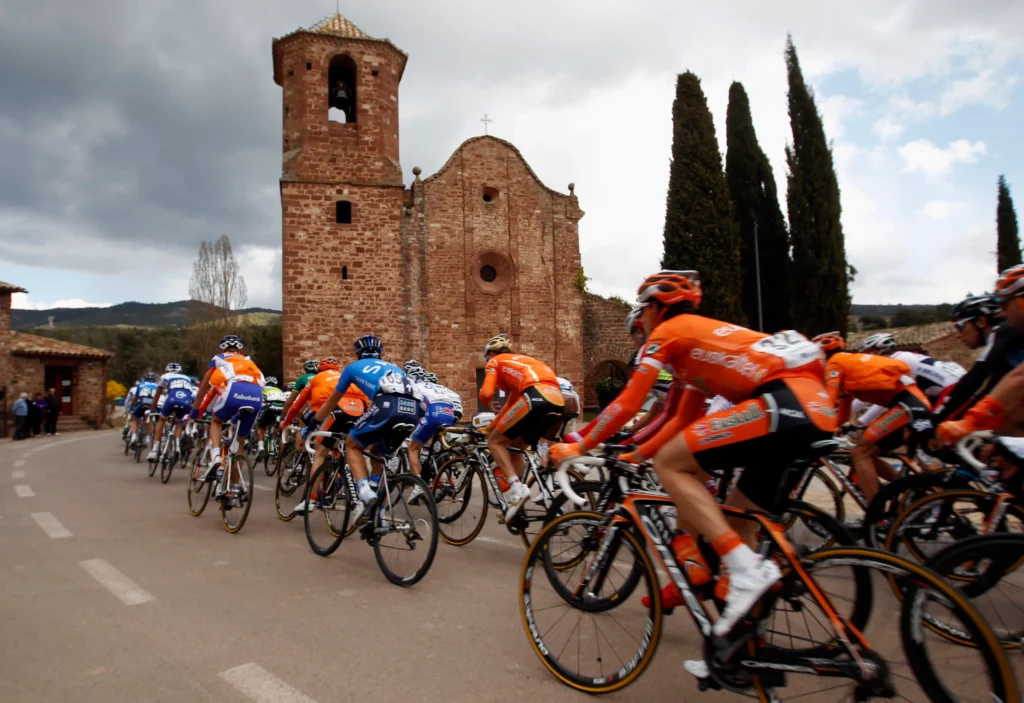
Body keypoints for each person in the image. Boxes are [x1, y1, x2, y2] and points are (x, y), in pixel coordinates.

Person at [549, 270, 837, 638]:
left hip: (781, 403)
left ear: (656, 308)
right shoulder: (694, 348)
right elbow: (681, 418)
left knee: (672, 464)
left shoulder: (671, 331)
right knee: (740, 525)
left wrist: (579, 445)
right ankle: (743, 644)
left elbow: (628, 403)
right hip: (813, 409)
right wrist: (636, 456)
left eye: (643, 312)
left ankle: (746, 569)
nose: (643, 324)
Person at [313, 335, 423, 520]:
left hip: (387, 406)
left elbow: (331, 402)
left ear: (358, 353)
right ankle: (377, 508)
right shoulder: (395, 368)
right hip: (413, 411)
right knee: (377, 451)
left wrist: (315, 421)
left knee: (352, 445)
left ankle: (364, 492)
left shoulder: (352, 368)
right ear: (380, 353)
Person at [814, 332, 933, 503]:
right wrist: (835, 428)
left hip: (907, 405)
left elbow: (828, 402)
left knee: (860, 453)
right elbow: (843, 415)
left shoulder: (835, 363)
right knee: (868, 454)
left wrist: (814, 427)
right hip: (911, 403)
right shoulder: (848, 366)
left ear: (822, 355)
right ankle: (909, 493)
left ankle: (875, 517)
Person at [480, 334, 566, 521]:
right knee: (515, 448)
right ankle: (517, 498)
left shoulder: (495, 362)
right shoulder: (521, 366)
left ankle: (518, 489)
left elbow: (486, 393)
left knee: (494, 442)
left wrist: (487, 405)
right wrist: (489, 428)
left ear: (492, 353)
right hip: (557, 400)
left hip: (536, 396)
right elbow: (509, 408)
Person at [936, 265, 1024, 442]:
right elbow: (992, 388)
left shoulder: (1000, 331)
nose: (1002, 313)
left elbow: (974, 379)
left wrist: (964, 421)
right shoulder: (1009, 343)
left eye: (1004, 303)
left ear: (981, 321)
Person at [280, 357, 366, 514]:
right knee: (348, 448)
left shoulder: (315, 378)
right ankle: (341, 481)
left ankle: (310, 500)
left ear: (319, 370)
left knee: (319, 452)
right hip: (359, 410)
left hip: (332, 409)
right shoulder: (344, 376)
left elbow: (297, 404)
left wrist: (285, 422)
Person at [189, 335, 264, 495]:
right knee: (239, 445)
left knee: (216, 421)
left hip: (235, 390)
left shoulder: (218, 358)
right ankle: (233, 489)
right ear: (240, 350)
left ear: (222, 349)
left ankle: (216, 456)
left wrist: (195, 410)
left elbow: (204, 387)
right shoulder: (249, 361)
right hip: (256, 396)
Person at [404, 362, 461, 495]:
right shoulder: (434, 386)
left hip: (434, 413)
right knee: (428, 441)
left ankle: (418, 487)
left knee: (412, 448)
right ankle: (429, 463)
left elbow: (414, 409)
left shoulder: (413, 385)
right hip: (449, 413)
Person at [147, 363, 195, 462]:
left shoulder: (165, 376)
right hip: (186, 401)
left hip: (172, 399)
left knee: (162, 419)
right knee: (179, 422)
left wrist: (152, 407)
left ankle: (155, 450)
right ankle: (177, 446)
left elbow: (158, 393)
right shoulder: (186, 378)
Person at [255, 376, 286, 456]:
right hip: (282, 408)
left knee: (260, 427)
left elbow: (259, 402)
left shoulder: (263, 389)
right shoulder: (279, 390)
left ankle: (261, 448)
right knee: (279, 427)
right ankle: (276, 439)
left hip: (270, 407)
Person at [127, 374, 159, 446]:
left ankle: (134, 436)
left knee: (135, 418)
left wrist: (131, 407)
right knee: (149, 419)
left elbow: (136, 397)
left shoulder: (141, 384)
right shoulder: (157, 386)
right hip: (151, 404)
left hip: (142, 403)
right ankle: (148, 437)